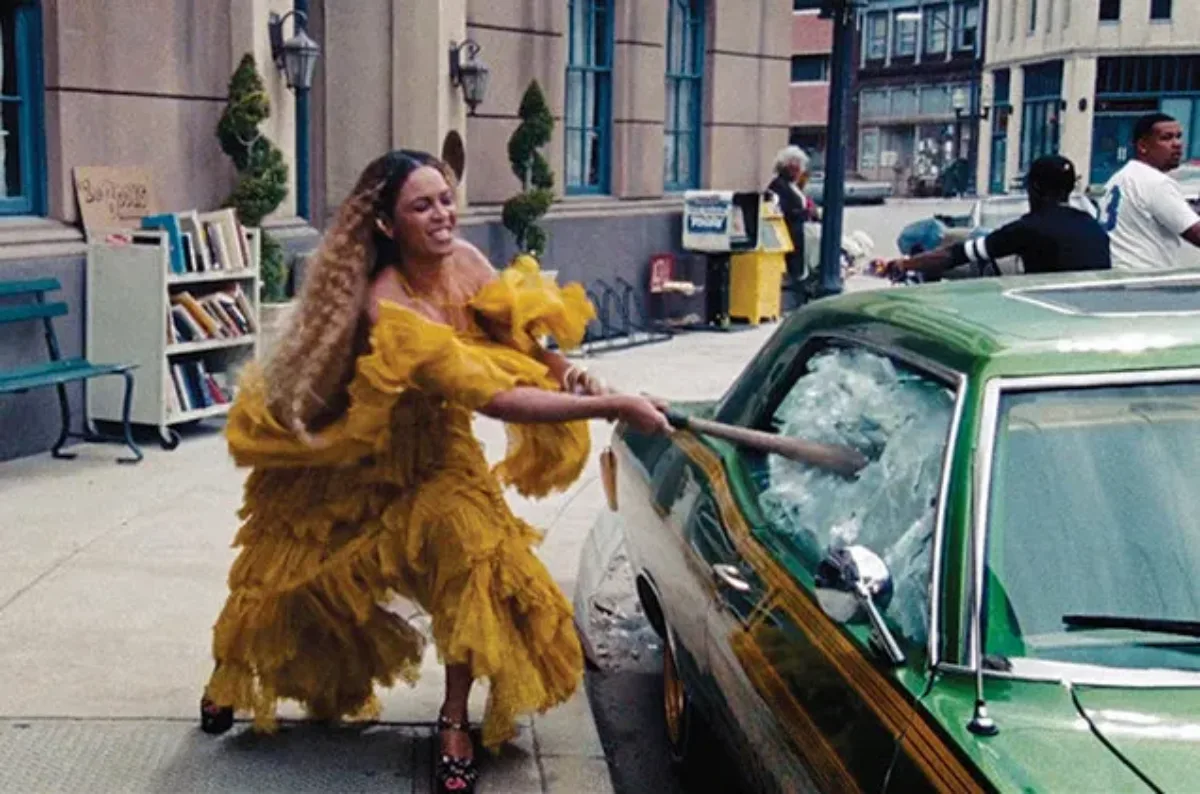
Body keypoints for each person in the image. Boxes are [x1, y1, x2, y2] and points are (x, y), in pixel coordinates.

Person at [197, 149, 671, 794]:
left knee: (473, 562)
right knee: (294, 575)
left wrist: (570, 371)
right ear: (389, 225)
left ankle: (454, 720)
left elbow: (520, 348)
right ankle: (235, 675)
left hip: (442, 454)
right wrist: (609, 405)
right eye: (423, 205)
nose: (443, 214)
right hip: (362, 458)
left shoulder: (468, 263)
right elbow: (489, 395)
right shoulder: (385, 300)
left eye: (446, 197)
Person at [880, 155, 1110, 279]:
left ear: (1034, 187)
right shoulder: (1093, 227)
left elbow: (957, 255)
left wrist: (904, 263)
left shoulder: (1028, 229)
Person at [1100, 112, 1200, 270]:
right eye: (1166, 138)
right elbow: (1196, 233)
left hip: (1117, 276)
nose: (1177, 144)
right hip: (1144, 281)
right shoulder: (1155, 182)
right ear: (1142, 146)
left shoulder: (1118, 178)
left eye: (1178, 136)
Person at [767, 146, 820, 298]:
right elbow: (782, 209)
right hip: (791, 231)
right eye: (793, 167)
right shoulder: (778, 185)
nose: (797, 172)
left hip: (801, 230)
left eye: (799, 168)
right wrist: (804, 213)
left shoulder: (794, 186)